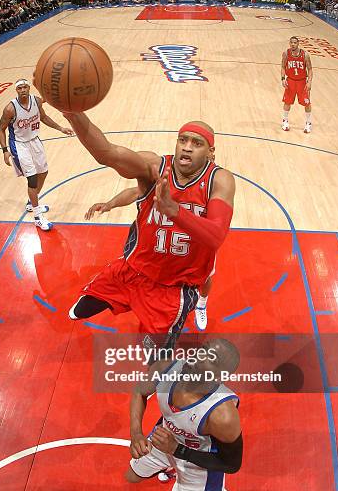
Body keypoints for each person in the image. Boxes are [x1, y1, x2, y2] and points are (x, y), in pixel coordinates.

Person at [63, 111, 235, 345]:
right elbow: (108, 153)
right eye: (182, 140)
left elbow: (216, 236)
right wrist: (74, 115)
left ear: (211, 152)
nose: (187, 147)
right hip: (134, 270)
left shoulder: (219, 180)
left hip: (175, 286)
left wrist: (174, 210)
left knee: (157, 355)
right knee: (81, 308)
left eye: (197, 143)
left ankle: (199, 307)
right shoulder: (154, 166)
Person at [126, 338, 243, 491]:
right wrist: (136, 433)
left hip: (199, 462)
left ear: (219, 376)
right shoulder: (167, 367)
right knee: (132, 476)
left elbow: (232, 464)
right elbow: (140, 392)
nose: (198, 356)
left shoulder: (223, 415)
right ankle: (171, 469)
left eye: (210, 358)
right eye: (202, 350)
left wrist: (178, 451)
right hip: (165, 440)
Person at [85, 187, 213, 331]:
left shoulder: (212, 185)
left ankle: (201, 304)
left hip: (195, 245)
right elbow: (136, 192)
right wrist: (110, 204)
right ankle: (143, 304)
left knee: (206, 274)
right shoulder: (168, 178)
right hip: (162, 240)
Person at [0, 79, 73, 231]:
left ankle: (31, 203)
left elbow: (44, 118)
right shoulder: (10, 109)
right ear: (16, 91)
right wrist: (5, 150)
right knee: (32, 179)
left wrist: (60, 128)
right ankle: (38, 217)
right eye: (20, 88)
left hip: (34, 140)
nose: (23, 90)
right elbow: (1, 129)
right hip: (19, 145)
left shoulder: (36, 101)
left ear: (29, 88)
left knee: (43, 172)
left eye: (25, 87)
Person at [281, 36, 313, 133]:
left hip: (302, 81)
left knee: (306, 103)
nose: (293, 44)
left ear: (298, 43)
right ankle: (285, 121)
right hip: (290, 81)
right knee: (287, 102)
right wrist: (283, 79)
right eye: (291, 42)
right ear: (289, 43)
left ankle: (308, 122)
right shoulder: (286, 54)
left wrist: (309, 81)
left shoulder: (305, 55)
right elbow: (282, 67)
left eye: (295, 43)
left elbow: (310, 69)